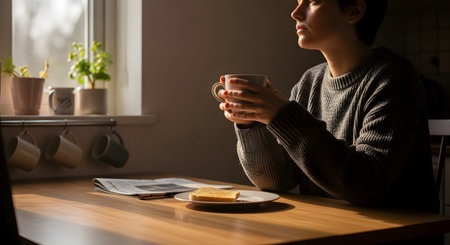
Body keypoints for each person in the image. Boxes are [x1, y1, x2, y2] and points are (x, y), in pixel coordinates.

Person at [216, 0, 440, 214]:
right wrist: (251, 123)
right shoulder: (309, 82)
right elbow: (278, 181)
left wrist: (283, 116)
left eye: (312, 1)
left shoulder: (393, 77)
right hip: (333, 229)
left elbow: (366, 185)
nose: (296, 13)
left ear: (353, 11)